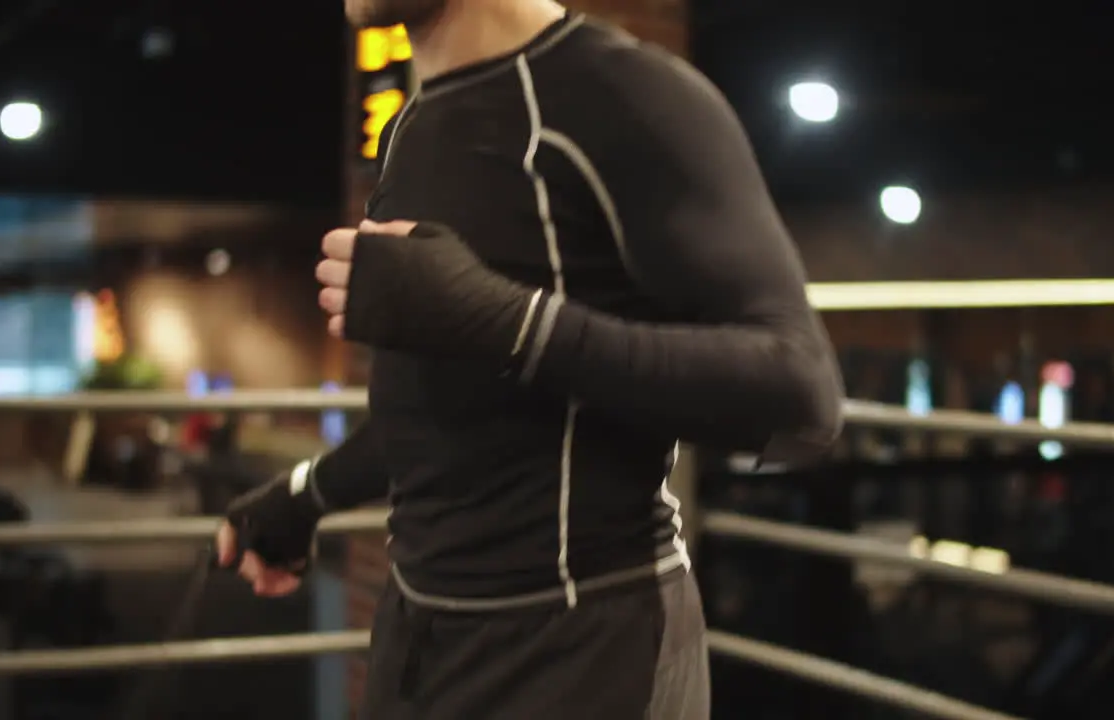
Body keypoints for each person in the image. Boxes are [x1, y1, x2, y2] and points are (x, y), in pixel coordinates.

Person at [216, 0, 844, 717]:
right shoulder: (411, 128)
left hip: (586, 644)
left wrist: (503, 318)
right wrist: (305, 496)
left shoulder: (624, 94)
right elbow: (443, 411)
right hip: (421, 635)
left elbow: (802, 398)